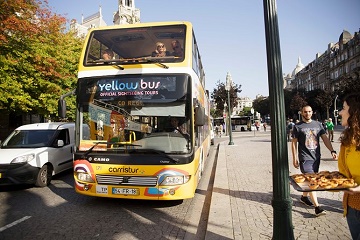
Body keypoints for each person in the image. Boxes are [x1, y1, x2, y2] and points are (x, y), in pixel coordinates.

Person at [291, 105, 338, 216]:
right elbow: (294, 144)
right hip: (305, 158)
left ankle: (304, 197)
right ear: (302, 113)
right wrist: (295, 158)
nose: (307, 114)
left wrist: (332, 150)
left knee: (310, 181)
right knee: (312, 181)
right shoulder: (297, 126)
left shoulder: (318, 125)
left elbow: (325, 139)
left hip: (316, 157)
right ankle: (317, 207)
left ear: (312, 112)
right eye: (305, 112)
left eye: (309, 111)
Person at [337, 93, 360, 239]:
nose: (340, 112)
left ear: (354, 111)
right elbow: (344, 175)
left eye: (344, 108)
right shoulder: (347, 140)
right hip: (352, 205)